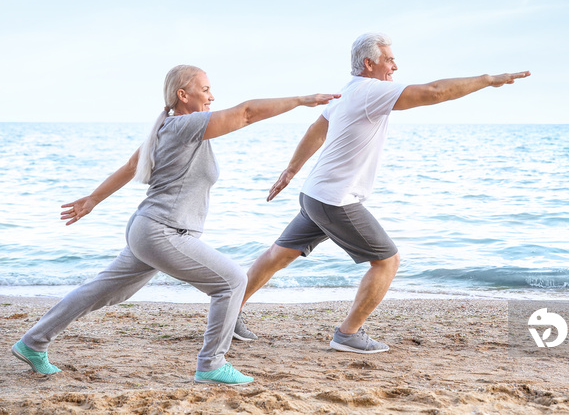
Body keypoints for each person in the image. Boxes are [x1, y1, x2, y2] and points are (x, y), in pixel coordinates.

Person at [11, 65, 339, 384]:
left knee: (102, 292)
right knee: (232, 281)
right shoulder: (184, 126)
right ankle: (211, 365)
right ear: (184, 95)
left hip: (148, 229)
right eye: (206, 89)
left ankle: (33, 342)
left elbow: (131, 165)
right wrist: (300, 100)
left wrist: (93, 200)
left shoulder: (168, 126)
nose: (212, 96)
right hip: (162, 231)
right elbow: (247, 113)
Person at [234, 33, 530, 353]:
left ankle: (227, 314)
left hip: (314, 194)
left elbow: (316, 130)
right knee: (387, 262)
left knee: (278, 255)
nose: (395, 66)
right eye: (390, 60)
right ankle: (347, 334)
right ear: (369, 63)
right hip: (335, 200)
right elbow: (434, 92)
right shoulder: (371, 91)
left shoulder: (344, 92)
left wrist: (291, 171)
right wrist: (487, 80)